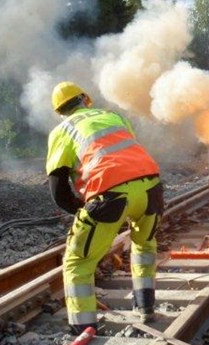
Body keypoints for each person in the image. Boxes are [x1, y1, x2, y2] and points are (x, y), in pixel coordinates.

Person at [46, 81, 164, 331]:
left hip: (109, 195)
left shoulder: (62, 131)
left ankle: (83, 328)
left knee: (78, 262)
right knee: (144, 245)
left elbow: (59, 192)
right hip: (151, 188)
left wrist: (85, 211)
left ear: (59, 111)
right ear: (85, 99)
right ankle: (146, 308)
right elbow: (124, 156)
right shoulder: (113, 116)